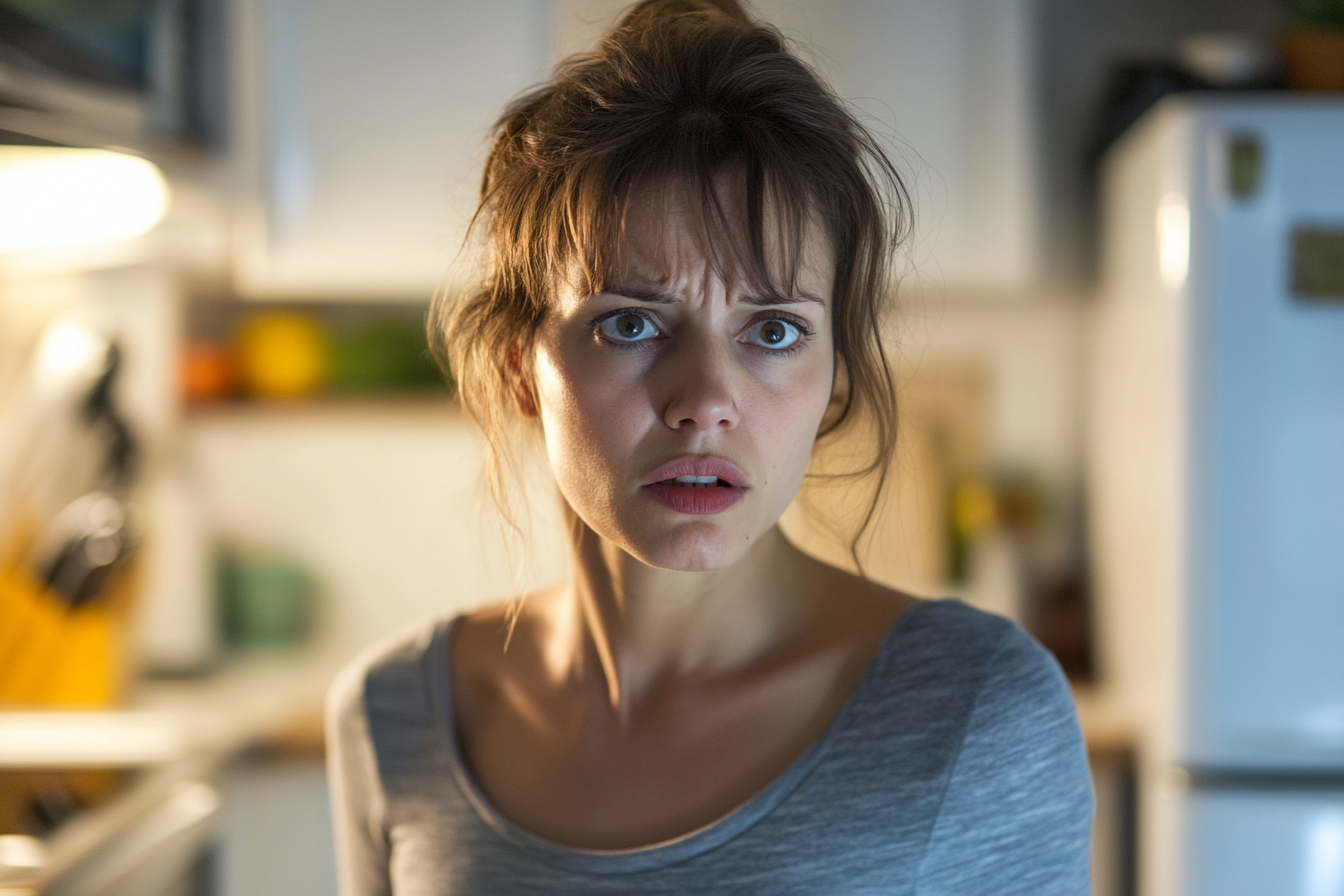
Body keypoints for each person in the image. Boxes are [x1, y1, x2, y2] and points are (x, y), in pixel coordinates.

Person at [325, 1, 1094, 893]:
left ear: (832, 375)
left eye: (771, 331)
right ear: (518, 369)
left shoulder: (981, 716)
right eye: (631, 324)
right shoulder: (395, 721)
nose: (704, 403)